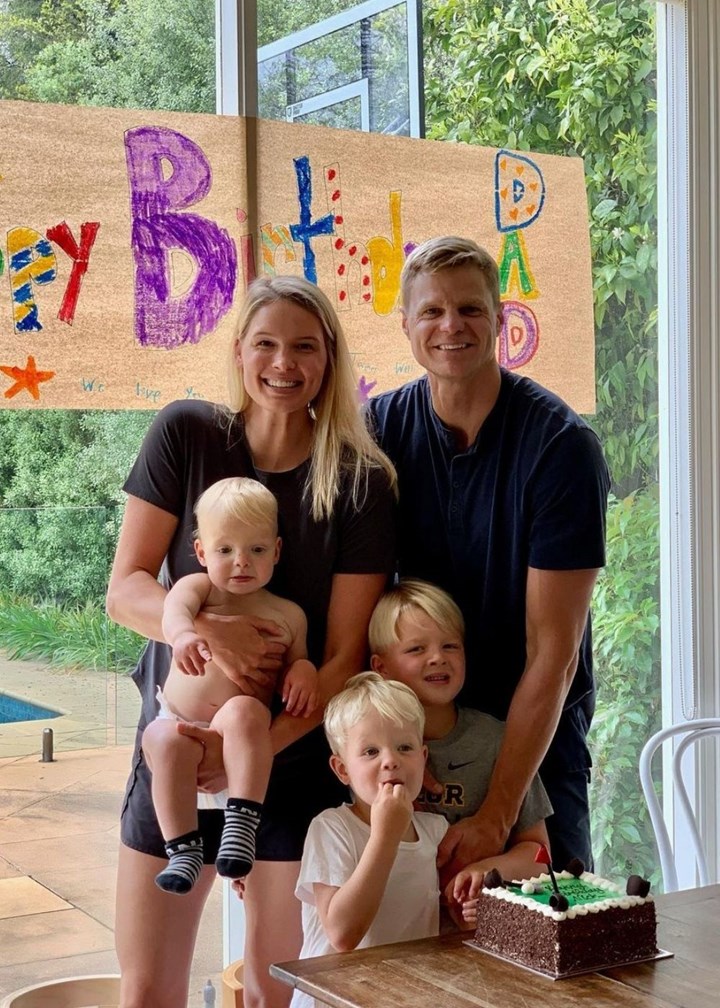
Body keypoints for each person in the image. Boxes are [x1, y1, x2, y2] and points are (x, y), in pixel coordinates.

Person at [106, 274, 396, 1008]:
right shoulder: (187, 434)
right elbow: (126, 587)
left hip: (291, 765)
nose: (283, 363)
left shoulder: (359, 480)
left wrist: (251, 747)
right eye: (265, 343)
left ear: (328, 358)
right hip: (173, 746)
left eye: (304, 346)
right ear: (238, 351)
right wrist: (207, 628)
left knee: (273, 993)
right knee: (146, 992)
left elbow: (342, 660)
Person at [365, 236, 610, 873]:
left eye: (471, 309)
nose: (452, 326)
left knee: (550, 941)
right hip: (414, 738)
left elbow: (552, 656)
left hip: (532, 743)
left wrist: (499, 813)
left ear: (501, 319)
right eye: (432, 312)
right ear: (406, 326)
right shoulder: (377, 433)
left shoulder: (561, 447)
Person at [143, 476, 319, 894]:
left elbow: (299, 660)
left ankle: (241, 825)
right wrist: (185, 635)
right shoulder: (197, 590)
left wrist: (305, 671)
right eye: (225, 550)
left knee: (245, 711)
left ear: (276, 551)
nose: (241, 561)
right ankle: (182, 848)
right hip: (180, 721)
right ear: (201, 552)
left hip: (239, 741)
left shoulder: (289, 614)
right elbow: (173, 612)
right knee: (161, 737)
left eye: (256, 550)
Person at [290, 672, 484, 1008]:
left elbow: (442, 916)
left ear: (423, 759)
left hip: (402, 995)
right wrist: (385, 835)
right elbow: (342, 933)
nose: (390, 760)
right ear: (342, 770)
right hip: (332, 1000)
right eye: (369, 752)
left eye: (404, 747)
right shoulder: (332, 828)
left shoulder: (434, 829)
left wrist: (466, 913)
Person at [369, 578, 552, 890]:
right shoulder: (367, 749)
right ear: (381, 667)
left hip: (476, 931)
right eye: (416, 648)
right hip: (395, 930)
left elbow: (538, 854)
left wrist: (486, 871)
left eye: (450, 646)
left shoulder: (500, 740)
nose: (438, 657)